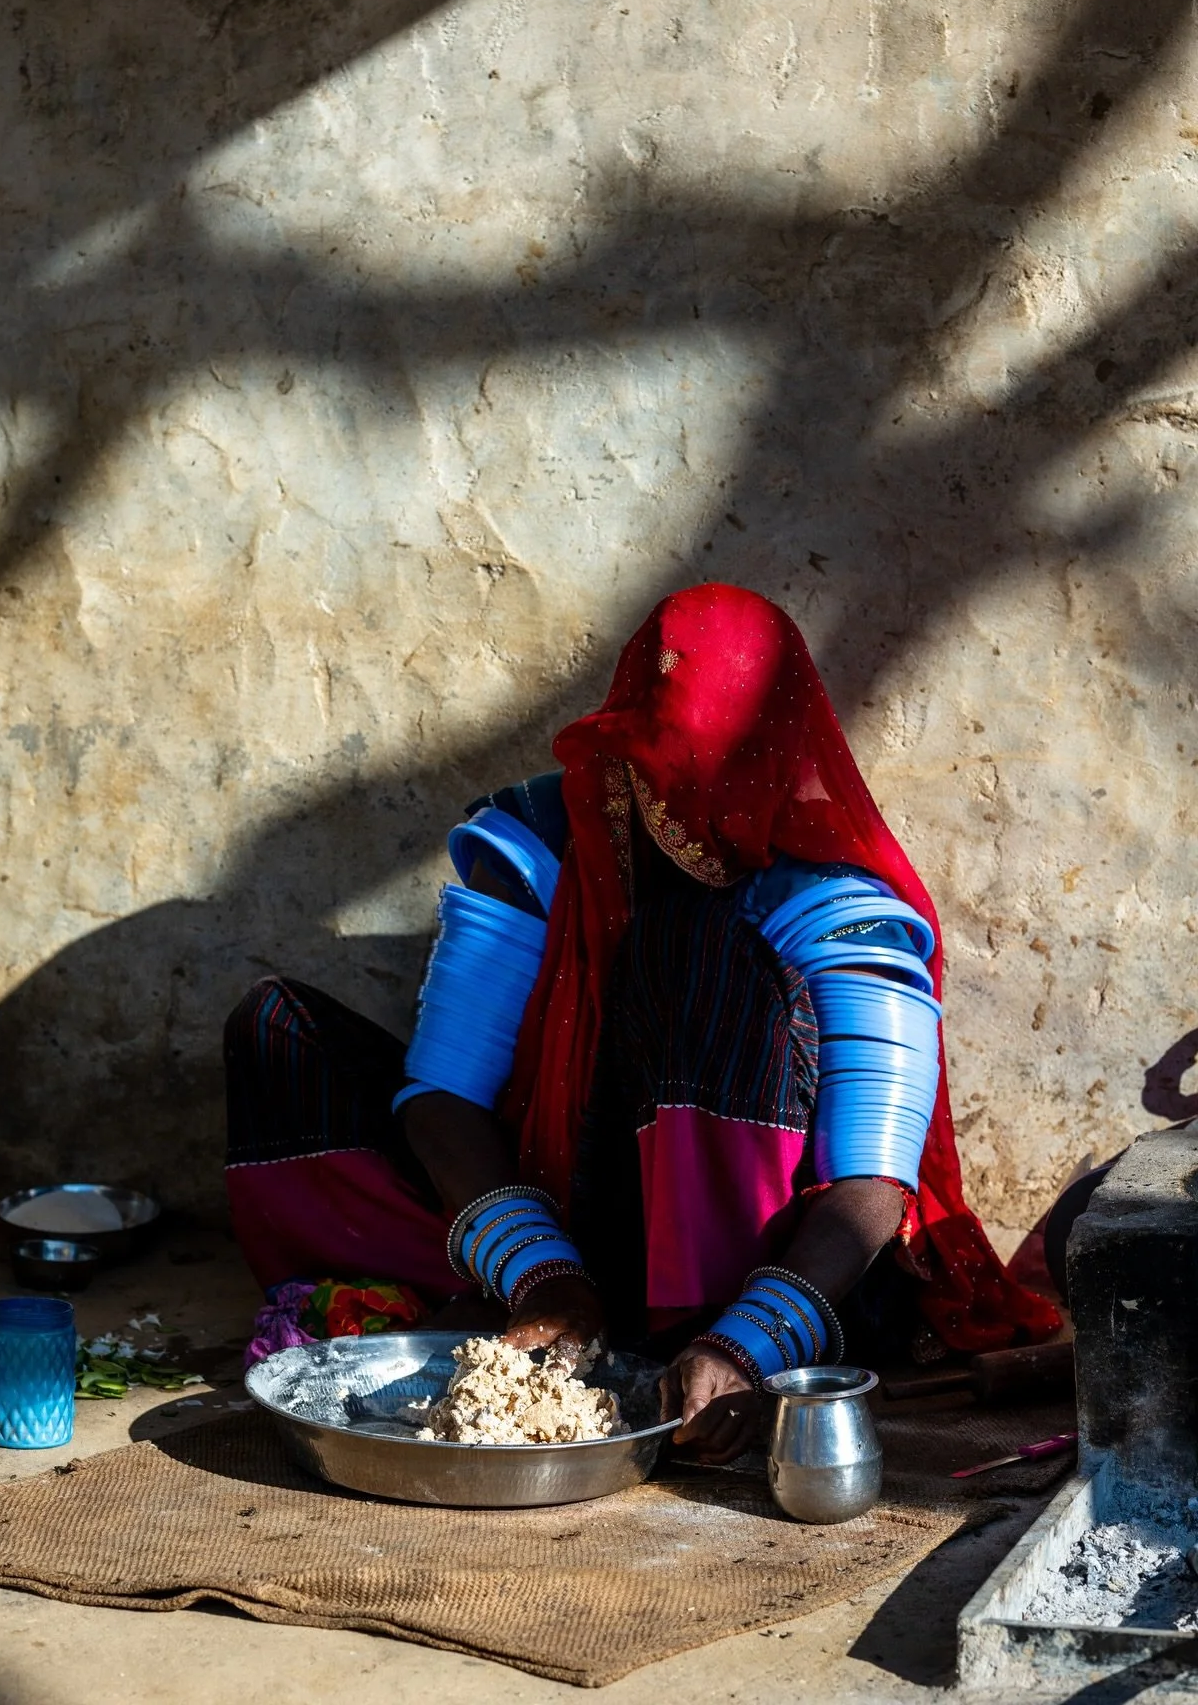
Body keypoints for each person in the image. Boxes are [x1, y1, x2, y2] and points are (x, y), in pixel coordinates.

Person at [224, 585, 1059, 1461]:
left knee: (688, 943)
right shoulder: (541, 840)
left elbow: (871, 1186)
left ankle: (684, 1339)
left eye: (717, 786)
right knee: (278, 1032)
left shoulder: (839, 902)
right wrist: (545, 1275)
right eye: (656, 777)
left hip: (749, 1258)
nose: (687, 824)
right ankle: (555, 1310)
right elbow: (441, 1095)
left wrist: (745, 1346)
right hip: (558, 1204)